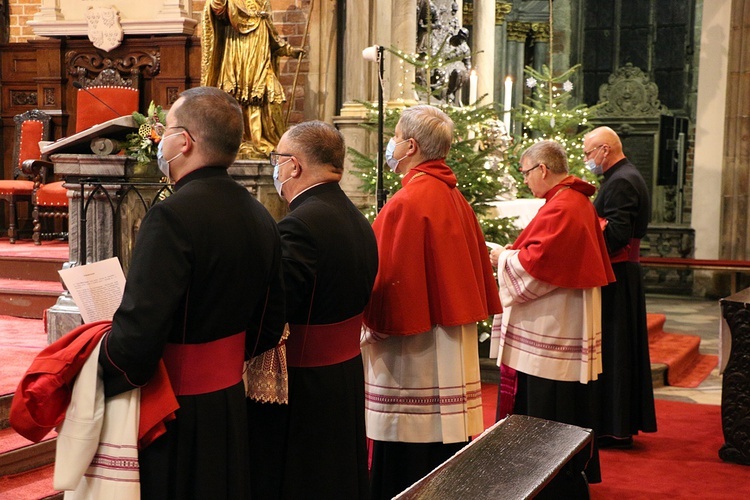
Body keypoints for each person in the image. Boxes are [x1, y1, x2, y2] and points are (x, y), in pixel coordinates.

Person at [97, 86, 286, 499]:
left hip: (174, 410)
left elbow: (138, 336)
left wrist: (96, 372)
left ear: (184, 141)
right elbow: (271, 323)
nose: (160, 140)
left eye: (165, 130)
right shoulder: (260, 214)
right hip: (229, 403)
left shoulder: (170, 216)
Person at [362, 105, 502, 500]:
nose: (390, 145)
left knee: (408, 455)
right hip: (451, 344)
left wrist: (367, 323)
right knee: (443, 452)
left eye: (394, 137)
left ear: (409, 146)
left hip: (414, 353)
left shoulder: (408, 202)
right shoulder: (454, 197)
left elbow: (385, 280)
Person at [247, 120, 378, 498]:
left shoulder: (301, 224)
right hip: (344, 374)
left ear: (294, 165)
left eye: (277, 159)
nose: (276, 168)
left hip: (306, 384)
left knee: (305, 479)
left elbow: (277, 307)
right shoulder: (355, 217)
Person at [489, 140, 614, 496]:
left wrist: (503, 259)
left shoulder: (564, 206)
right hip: (559, 325)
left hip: (553, 334)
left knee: (549, 413)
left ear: (542, 169)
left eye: (526, 172)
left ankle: (551, 483)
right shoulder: (569, 201)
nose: (526, 180)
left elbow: (538, 268)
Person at [584, 126, 657, 448]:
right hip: (620, 273)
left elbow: (616, 235)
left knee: (614, 351)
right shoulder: (621, 176)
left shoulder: (622, 180)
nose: (587, 159)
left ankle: (613, 425)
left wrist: (583, 237)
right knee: (616, 350)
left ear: (604, 150)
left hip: (617, 274)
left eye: (588, 153)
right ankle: (615, 423)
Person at [201, 0, 304, 158]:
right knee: (236, 103)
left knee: (273, 100)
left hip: (260, 64)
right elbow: (216, 8)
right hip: (236, 61)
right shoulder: (231, 2)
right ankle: (239, 142)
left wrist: (290, 51)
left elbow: (272, 37)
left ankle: (272, 143)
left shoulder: (263, 4)